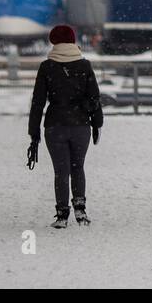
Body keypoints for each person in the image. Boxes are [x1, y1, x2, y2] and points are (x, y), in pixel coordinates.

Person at [28, 24, 103, 227]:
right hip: (80, 125)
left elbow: (37, 102)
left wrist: (33, 132)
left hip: (55, 126)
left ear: (53, 41)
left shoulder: (47, 67)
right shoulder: (84, 65)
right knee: (78, 167)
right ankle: (80, 210)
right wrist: (97, 124)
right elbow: (94, 97)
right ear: (73, 40)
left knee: (61, 171)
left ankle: (62, 216)